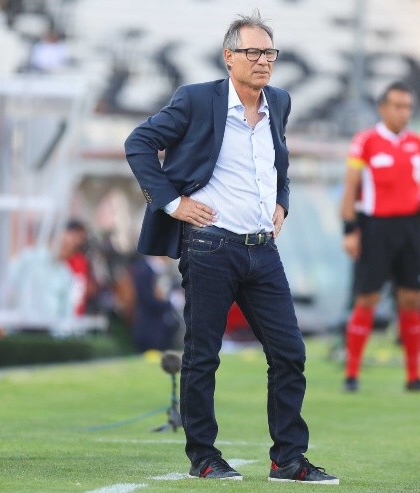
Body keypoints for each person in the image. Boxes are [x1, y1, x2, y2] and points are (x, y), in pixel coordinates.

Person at [124, 11, 338, 485]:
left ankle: (289, 460)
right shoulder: (197, 99)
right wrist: (173, 203)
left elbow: (279, 160)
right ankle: (204, 456)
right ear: (229, 56)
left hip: (262, 250)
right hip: (210, 247)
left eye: (270, 52)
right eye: (253, 52)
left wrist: (282, 202)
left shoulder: (279, 101)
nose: (263, 61)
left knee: (290, 353)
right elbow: (139, 142)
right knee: (203, 355)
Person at [340, 81, 420, 393]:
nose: (404, 112)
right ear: (383, 108)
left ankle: (413, 377)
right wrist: (349, 230)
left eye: (408, 107)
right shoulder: (365, 142)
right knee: (367, 298)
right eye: (398, 106)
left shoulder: (417, 143)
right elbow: (350, 189)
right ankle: (351, 375)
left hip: (411, 228)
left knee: (411, 299)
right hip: (375, 227)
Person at [129, 255, 181, 352]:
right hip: (149, 329)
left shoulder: (157, 271)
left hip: (162, 327)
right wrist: (171, 302)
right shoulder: (144, 270)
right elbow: (148, 299)